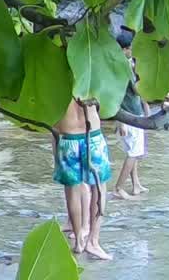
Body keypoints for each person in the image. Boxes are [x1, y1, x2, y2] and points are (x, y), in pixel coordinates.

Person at [53, 98, 112, 260]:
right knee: (99, 187)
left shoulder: (58, 84)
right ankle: (93, 241)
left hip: (68, 136)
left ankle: (79, 240)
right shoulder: (89, 83)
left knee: (72, 190)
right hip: (92, 135)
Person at [112, 43, 148, 198]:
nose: (133, 51)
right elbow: (136, 90)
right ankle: (118, 188)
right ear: (124, 49)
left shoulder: (123, 64)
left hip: (130, 114)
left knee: (133, 150)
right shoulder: (124, 66)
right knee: (134, 153)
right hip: (129, 116)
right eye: (131, 48)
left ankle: (136, 184)